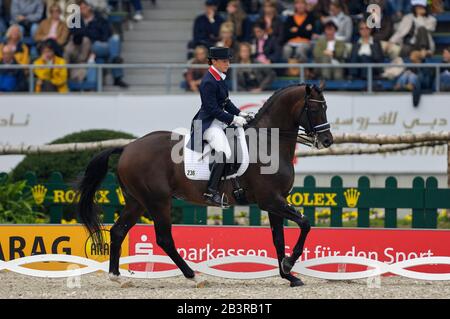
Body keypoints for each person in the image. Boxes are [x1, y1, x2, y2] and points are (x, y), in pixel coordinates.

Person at [188, 46, 254, 207]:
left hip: (218, 122)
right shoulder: (208, 81)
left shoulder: (218, 77)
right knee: (224, 152)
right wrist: (233, 119)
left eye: (228, 61)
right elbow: (212, 109)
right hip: (208, 124)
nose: (228, 64)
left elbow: (226, 102)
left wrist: (240, 114)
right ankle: (211, 192)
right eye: (225, 61)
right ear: (214, 61)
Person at [78, 0, 128, 88]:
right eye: (80, 9)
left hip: (104, 44)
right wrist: (93, 32)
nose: (83, 10)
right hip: (92, 46)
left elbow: (107, 31)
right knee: (103, 46)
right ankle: (117, 76)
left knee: (115, 38)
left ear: (89, 7)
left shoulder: (99, 18)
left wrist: (103, 41)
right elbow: (82, 34)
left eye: (84, 7)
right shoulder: (78, 21)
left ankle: (114, 59)